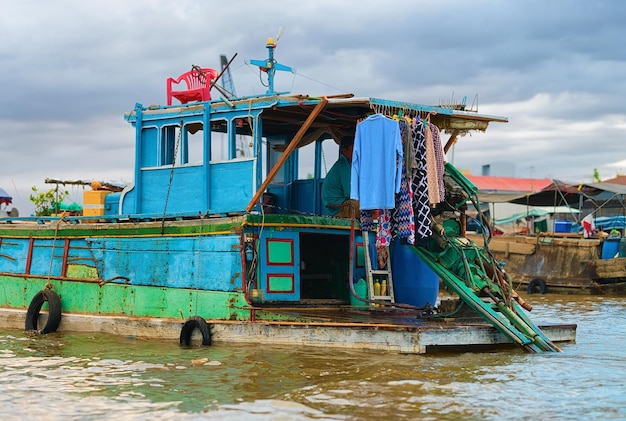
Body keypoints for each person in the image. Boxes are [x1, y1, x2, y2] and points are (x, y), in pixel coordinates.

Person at [322, 136, 360, 218]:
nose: (356, 153)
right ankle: (375, 229)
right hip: (339, 208)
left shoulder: (348, 165)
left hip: (341, 204)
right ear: (344, 150)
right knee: (370, 208)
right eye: (353, 150)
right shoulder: (343, 165)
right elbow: (350, 193)